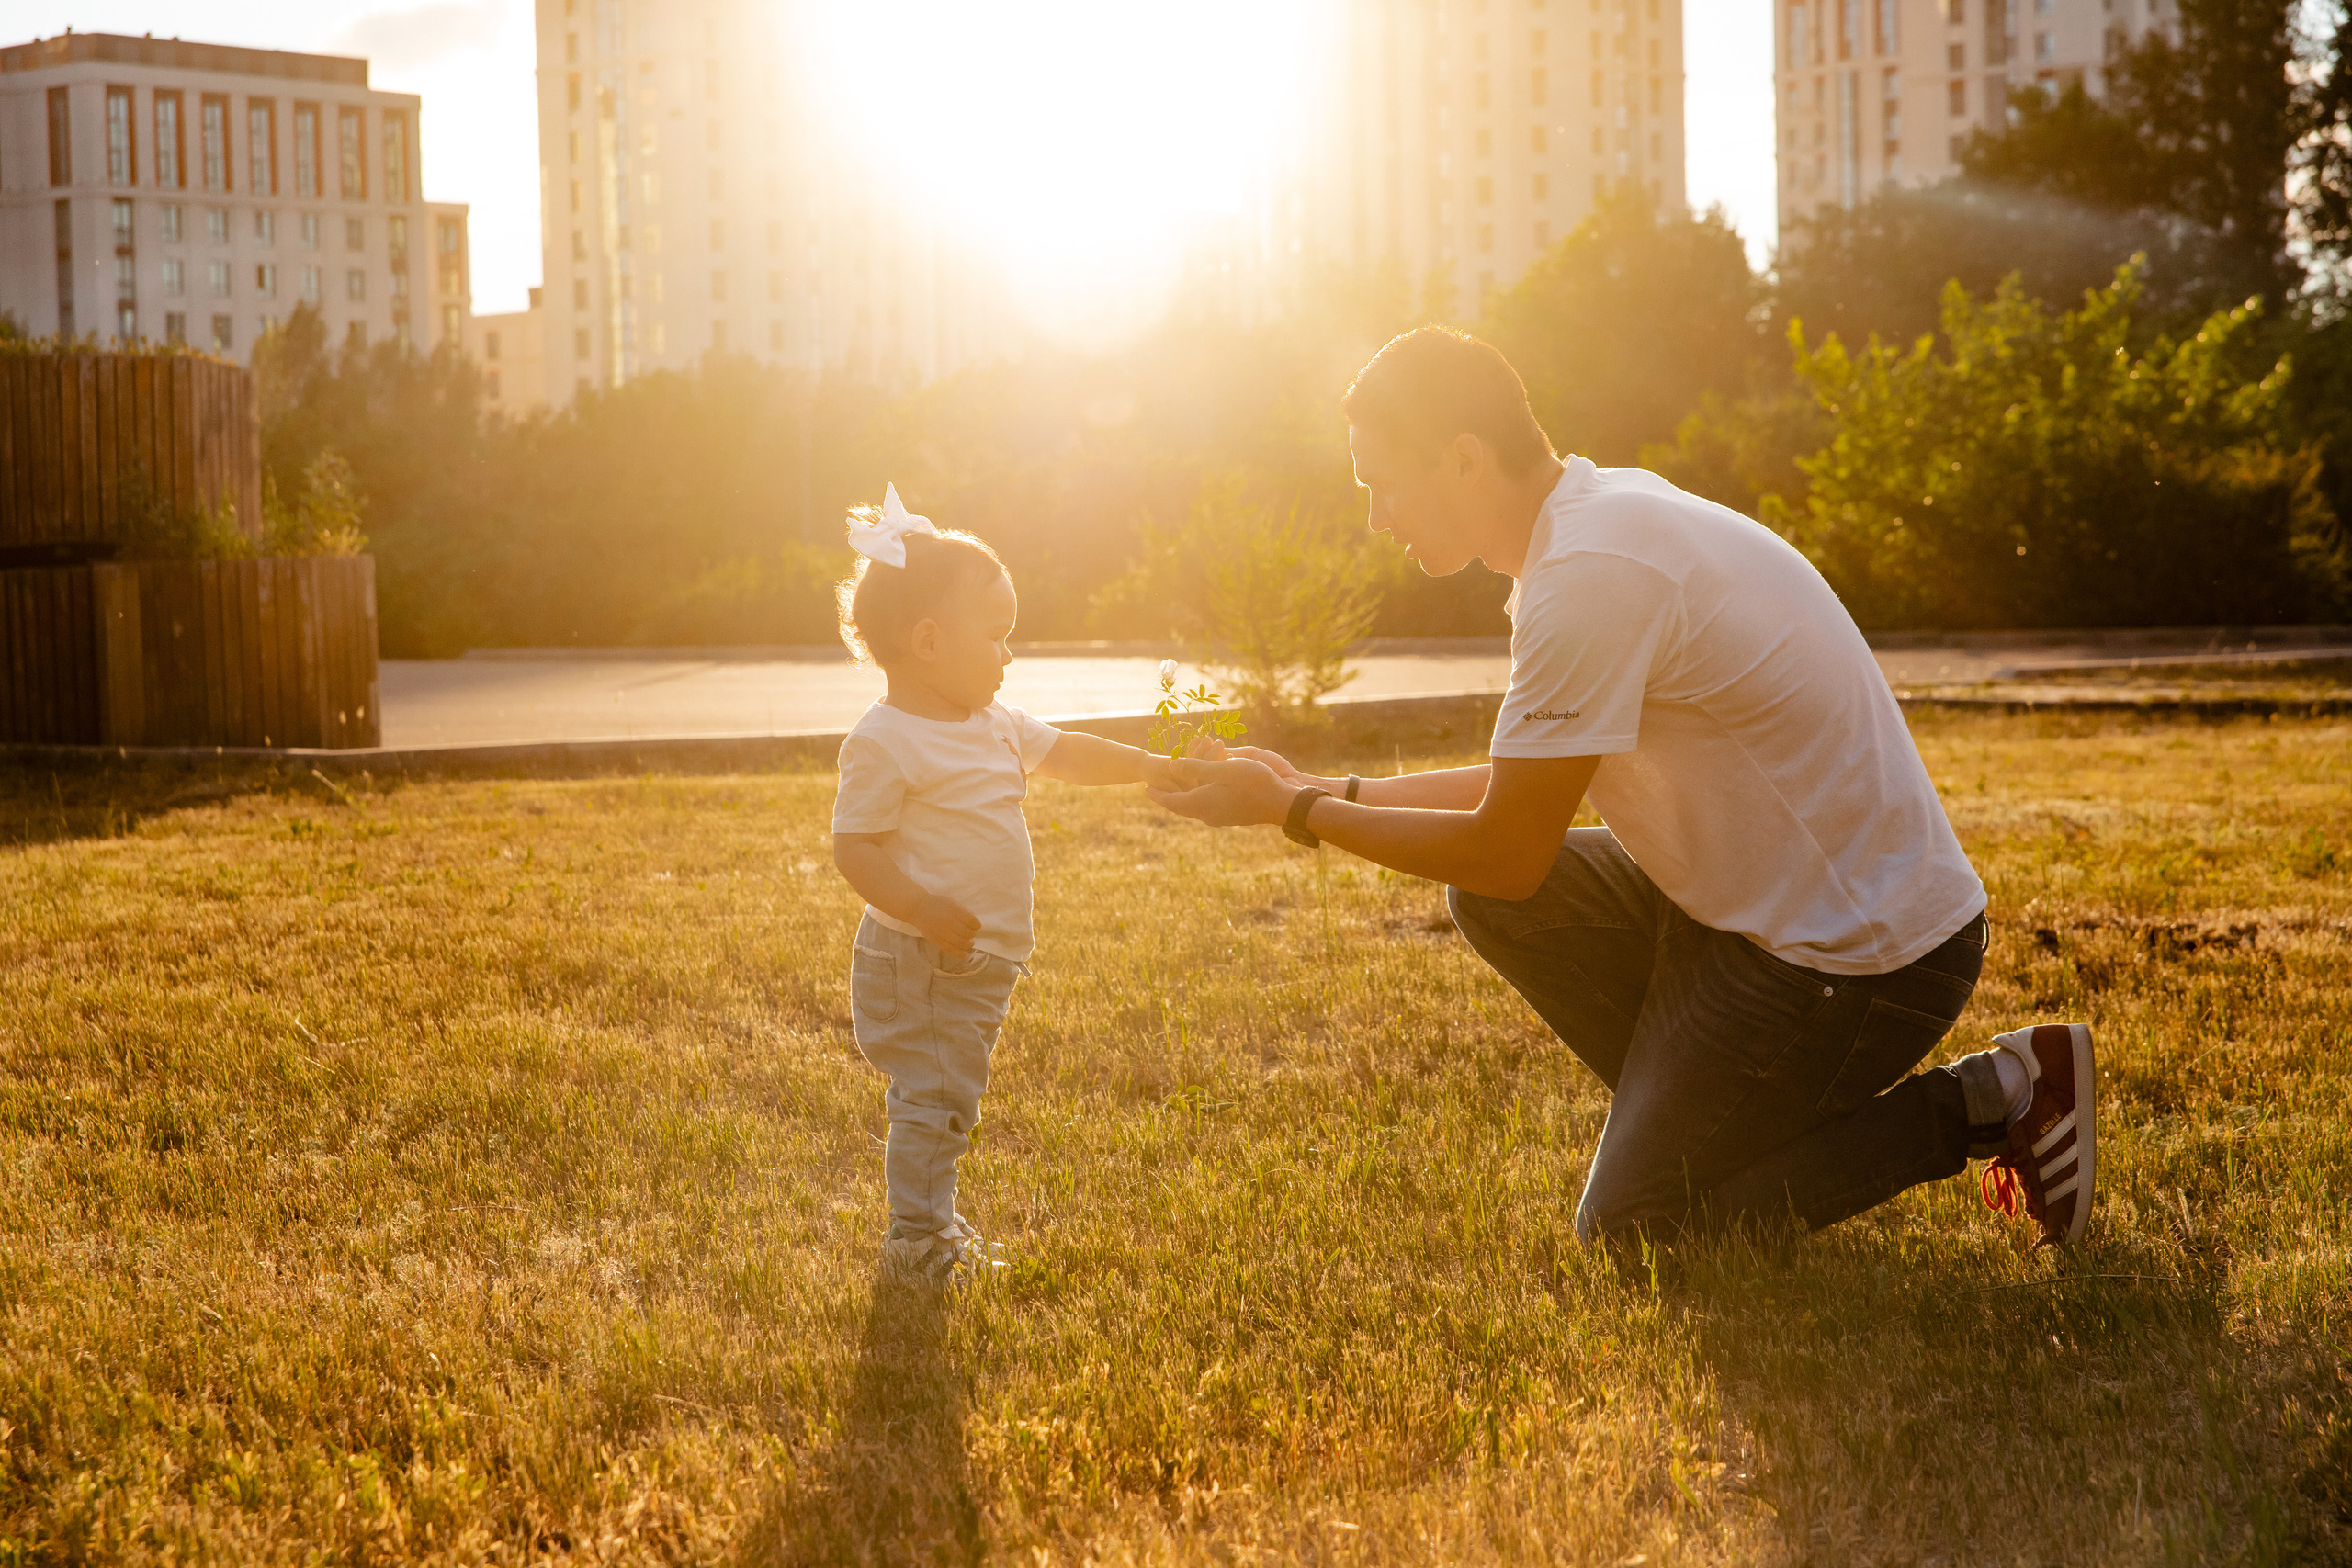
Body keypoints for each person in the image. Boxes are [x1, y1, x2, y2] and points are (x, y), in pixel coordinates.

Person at [1148, 328, 2095, 1248]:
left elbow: (1507, 851)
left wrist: (1293, 810)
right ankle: (1711, 1133)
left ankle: (1992, 1097)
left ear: (1464, 459)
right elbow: (1523, 789)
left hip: (1862, 958)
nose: (1375, 518)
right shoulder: (1590, 526)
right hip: (1754, 918)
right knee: (1499, 911)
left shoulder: (1590, 574)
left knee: (1641, 1227)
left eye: (1382, 485)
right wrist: (1321, 784)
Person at [831, 486, 1195, 1286]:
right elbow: (853, 847)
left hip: (973, 961)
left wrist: (1147, 766)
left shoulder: (993, 722)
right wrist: (921, 907)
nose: (1008, 656)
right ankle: (917, 1242)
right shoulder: (885, 741)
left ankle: (933, 1223)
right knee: (931, 1100)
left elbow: (1068, 752)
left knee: (950, 1098)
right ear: (927, 641)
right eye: (996, 637)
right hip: (925, 958)